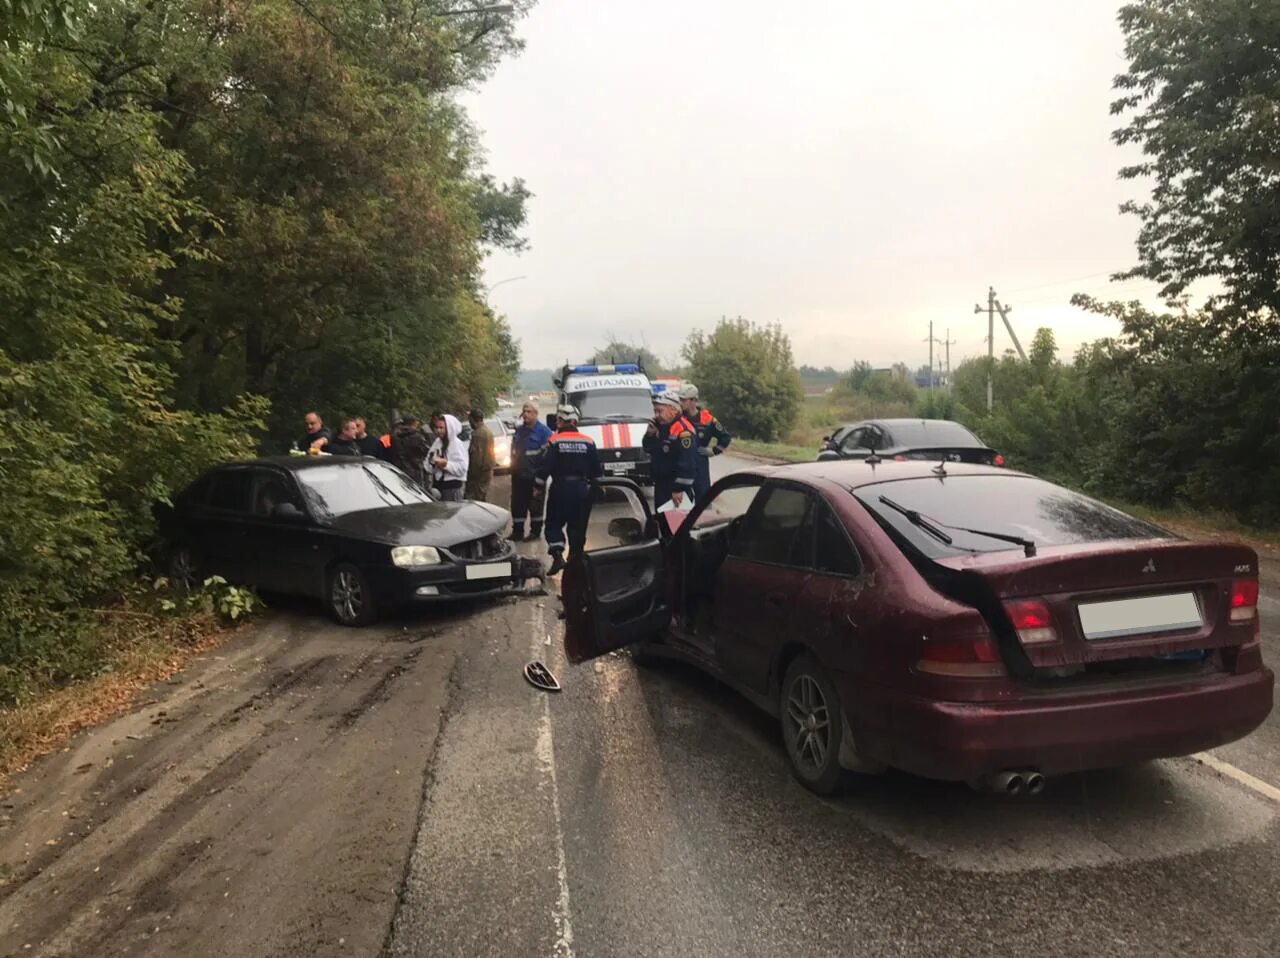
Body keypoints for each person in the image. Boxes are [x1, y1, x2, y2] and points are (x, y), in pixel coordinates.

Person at [536, 404, 601, 577]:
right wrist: (597, 487)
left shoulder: (554, 441)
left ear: (561, 422)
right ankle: (575, 561)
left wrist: (537, 486)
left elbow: (545, 467)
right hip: (581, 489)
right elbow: (596, 469)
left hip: (560, 489)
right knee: (577, 527)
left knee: (554, 523)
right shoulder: (588, 441)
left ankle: (557, 554)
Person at [644, 392, 698, 509]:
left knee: (677, 526)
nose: (656, 415)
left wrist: (679, 489)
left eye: (660, 411)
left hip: (676, 490)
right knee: (663, 523)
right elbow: (648, 449)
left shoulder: (684, 431)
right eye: (655, 411)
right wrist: (650, 435)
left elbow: (687, 463)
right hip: (661, 485)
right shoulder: (661, 426)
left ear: (673, 410)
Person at [679, 384, 732, 501]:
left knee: (703, 501)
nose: (680, 403)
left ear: (693, 401)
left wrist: (714, 451)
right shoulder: (678, 419)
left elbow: (725, 437)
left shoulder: (707, 419)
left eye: (683, 400)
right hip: (682, 465)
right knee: (681, 504)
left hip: (700, 465)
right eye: (680, 400)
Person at [510, 401, 553, 540]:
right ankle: (517, 532)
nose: (525, 414)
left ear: (536, 413)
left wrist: (539, 481)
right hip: (518, 476)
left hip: (534, 477)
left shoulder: (544, 432)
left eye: (529, 412)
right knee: (517, 505)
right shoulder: (519, 431)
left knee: (535, 506)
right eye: (524, 411)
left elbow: (546, 459)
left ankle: (535, 532)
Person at [429, 412, 469, 501]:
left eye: (441, 428)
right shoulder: (437, 442)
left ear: (449, 428)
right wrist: (432, 462)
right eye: (437, 428)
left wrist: (446, 464)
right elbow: (428, 463)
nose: (438, 431)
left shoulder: (456, 444)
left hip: (452, 489)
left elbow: (462, 468)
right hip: (438, 488)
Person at [391, 416, 432, 489]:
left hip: (398, 470)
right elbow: (427, 451)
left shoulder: (394, 437)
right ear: (413, 424)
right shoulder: (416, 437)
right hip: (414, 471)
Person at [465, 409, 496, 501]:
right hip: (487, 471)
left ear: (472, 419)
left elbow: (476, 458)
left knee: (475, 500)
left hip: (479, 474)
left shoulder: (478, 434)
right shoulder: (488, 431)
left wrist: (470, 475)